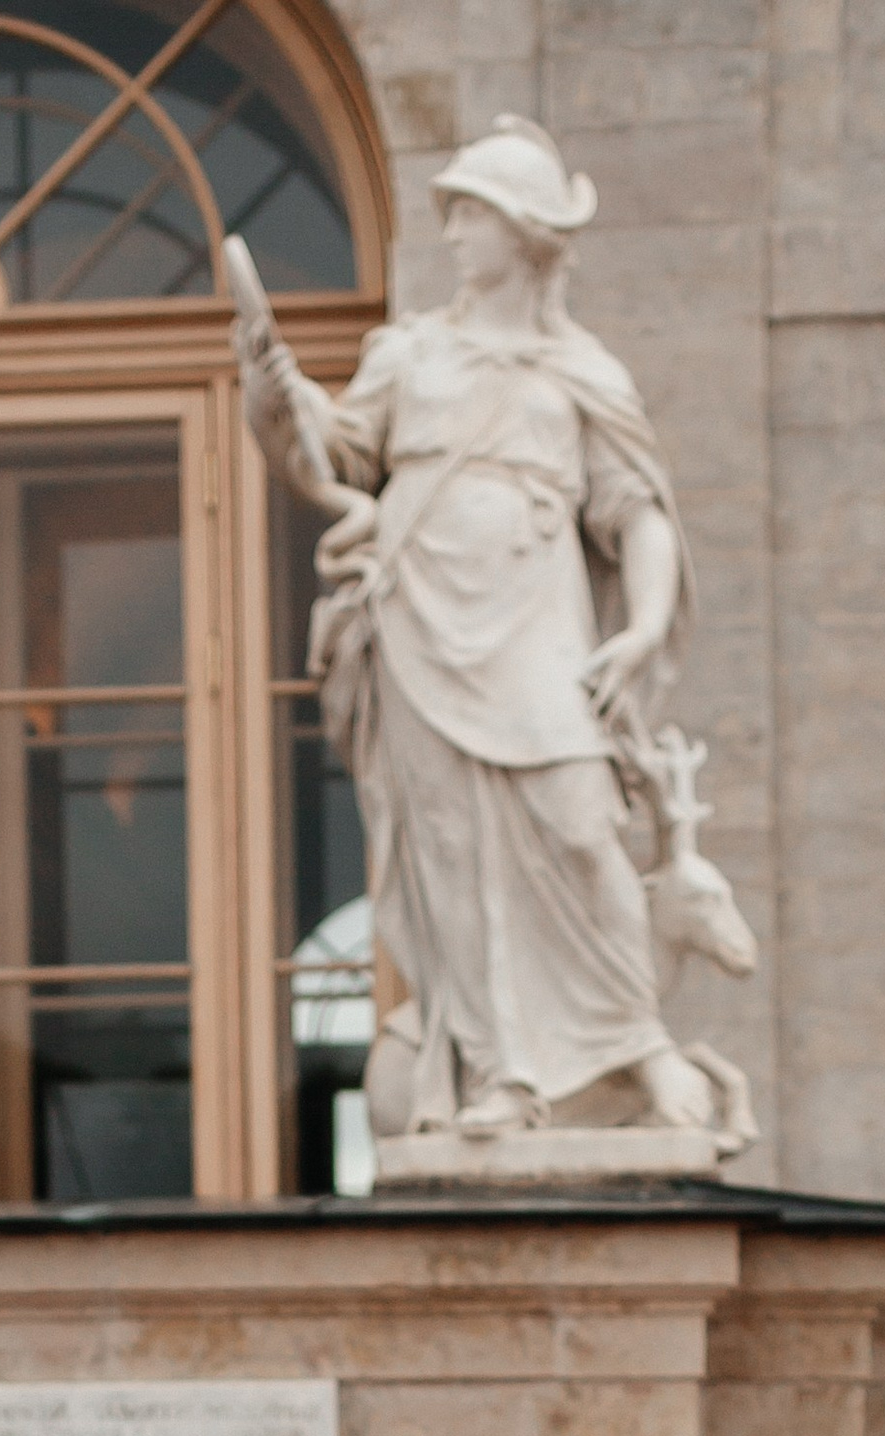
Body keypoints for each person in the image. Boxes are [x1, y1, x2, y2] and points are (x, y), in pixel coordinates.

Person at [235, 112, 721, 1141]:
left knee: (583, 826)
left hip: (535, 627)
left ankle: (635, 1043)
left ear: (525, 232)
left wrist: (638, 629)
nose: (451, 233)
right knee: (448, 853)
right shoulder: (410, 356)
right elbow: (332, 454)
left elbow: (636, 511)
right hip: (422, 627)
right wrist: (277, 397)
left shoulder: (581, 371)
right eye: (451, 214)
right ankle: (501, 1072)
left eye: (470, 214)